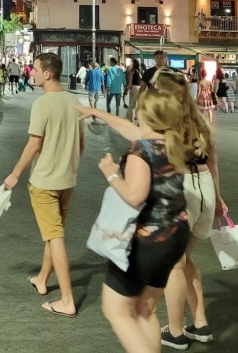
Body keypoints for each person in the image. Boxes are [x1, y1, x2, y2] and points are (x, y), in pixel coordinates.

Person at [75, 79, 200, 353]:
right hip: (175, 234)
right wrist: (96, 112)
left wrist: (109, 171)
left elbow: (134, 195)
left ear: (146, 113)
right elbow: (134, 132)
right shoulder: (172, 141)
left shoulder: (140, 150)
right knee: (146, 310)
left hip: (146, 241)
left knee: (116, 309)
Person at [4, 52, 84, 317]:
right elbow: (80, 145)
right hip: (67, 180)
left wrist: (15, 174)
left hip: (45, 181)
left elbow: (33, 144)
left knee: (55, 237)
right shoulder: (74, 101)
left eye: (36, 69)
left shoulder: (42, 104)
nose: (32, 72)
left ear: (47, 73)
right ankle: (41, 279)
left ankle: (67, 299)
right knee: (55, 232)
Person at [153, 71, 227, 349]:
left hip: (183, 188)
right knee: (185, 258)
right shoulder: (200, 122)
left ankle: (175, 331)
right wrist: (218, 198)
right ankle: (200, 323)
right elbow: (213, 163)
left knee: (174, 263)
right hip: (205, 186)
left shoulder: (167, 122)